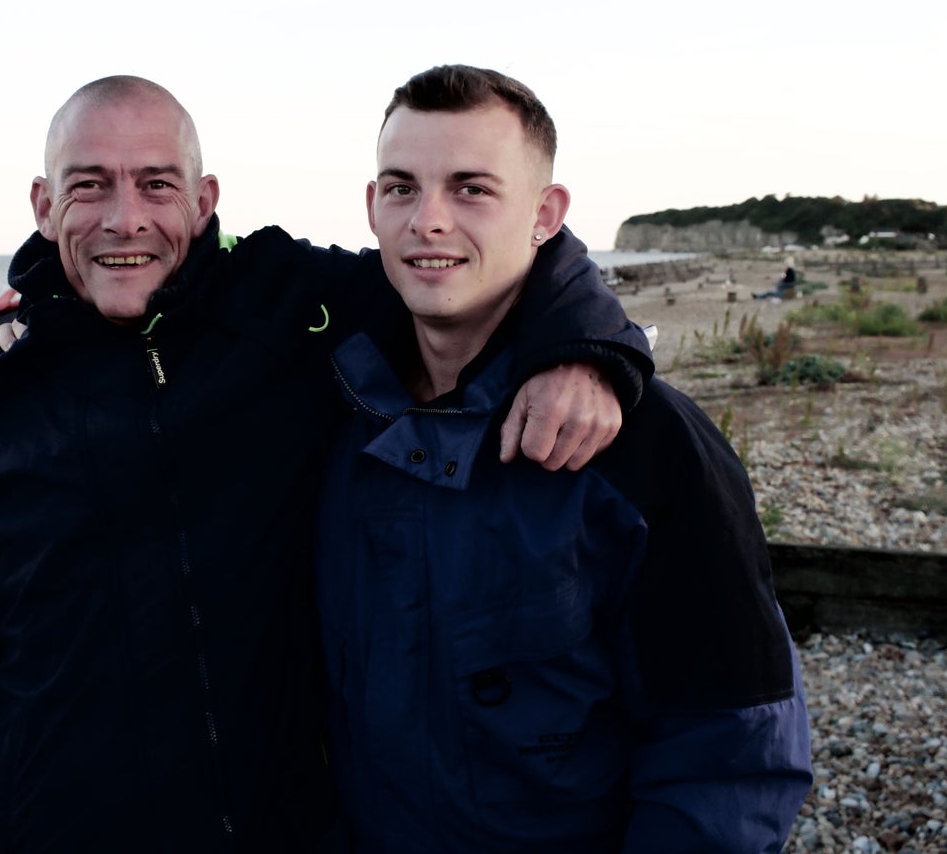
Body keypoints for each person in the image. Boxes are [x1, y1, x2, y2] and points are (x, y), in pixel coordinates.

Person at [0, 75, 655, 852]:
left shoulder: (284, 308)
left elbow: (465, 264)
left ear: (205, 197)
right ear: (45, 207)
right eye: (90, 186)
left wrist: (584, 348)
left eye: (157, 183)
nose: (127, 218)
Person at [316, 65, 813, 853]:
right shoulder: (331, 407)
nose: (429, 221)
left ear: (546, 213)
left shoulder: (645, 443)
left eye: (472, 188)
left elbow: (728, 749)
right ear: (372, 206)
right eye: (402, 187)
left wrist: (590, 348)